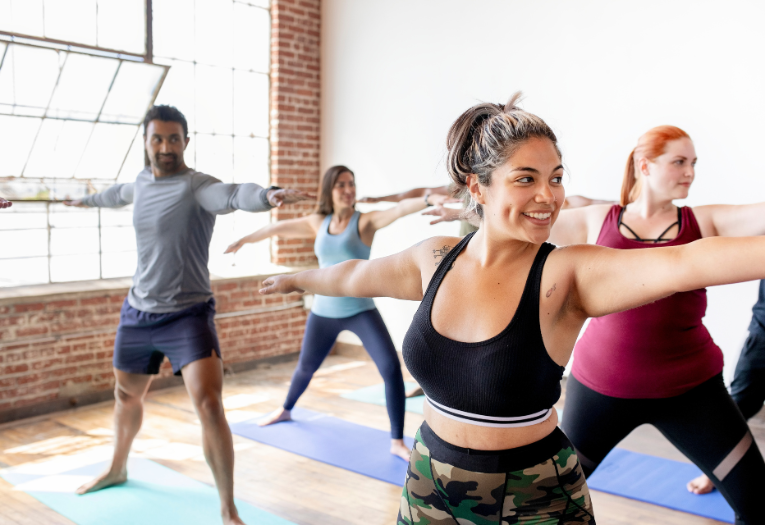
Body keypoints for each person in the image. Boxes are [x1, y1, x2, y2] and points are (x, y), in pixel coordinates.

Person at [257, 94, 765, 524]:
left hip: (534, 494)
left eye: (556, 177)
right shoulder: (434, 258)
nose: (549, 196)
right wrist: (296, 278)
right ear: (478, 186)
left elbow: (688, 263)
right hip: (429, 479)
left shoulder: (567, 275)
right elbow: (352, 274)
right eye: (526, 179)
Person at [65, 105, 313, 525]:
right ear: (145, 142)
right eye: (157, 139)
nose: (165, 147)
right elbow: (114, 194)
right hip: (138, 312)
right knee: (126, 396)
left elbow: (234, 194)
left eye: (173, 139)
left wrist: (267, 195)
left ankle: (228, 509)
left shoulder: (196, 186)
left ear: (185, 142)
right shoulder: (140, 184)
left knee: (209, 404)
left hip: (188, 317)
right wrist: (82, 200)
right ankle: (117, 467)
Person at [548, 125, 765, 523]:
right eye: (679, 162)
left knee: (759, 502)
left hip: (691, 392)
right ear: (644, 165)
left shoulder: (705, 221)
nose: (690, 172)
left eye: (694, 163)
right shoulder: (597, 220)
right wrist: (473, 206)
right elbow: (523, 223)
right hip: (600, 391)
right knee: (550, 503)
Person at [225, 165, 449, 460]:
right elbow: (275, 228)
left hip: (360, 310)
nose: (348, 190)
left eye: (351, 184)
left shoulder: (365, 222)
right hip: (323, 312)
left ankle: (396, 441)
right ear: (330, 191)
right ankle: (285, 409)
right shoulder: (319, 222)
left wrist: (429, 200)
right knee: (306, 367)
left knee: (391, 370)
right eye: (341, 185)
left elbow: (399, 209)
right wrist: (245, 239)